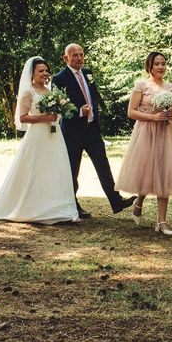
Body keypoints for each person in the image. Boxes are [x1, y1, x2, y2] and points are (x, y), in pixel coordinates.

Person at [0, 57, 79, 224]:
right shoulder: (29, 92)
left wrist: (59, 112)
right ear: (32, 73)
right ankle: (33, 208)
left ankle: (54, 207)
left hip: (54, 136)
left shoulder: (50, 92)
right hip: (37, 136)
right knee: (36, 171)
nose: (44, 73)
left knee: (54, 169)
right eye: (40, 71)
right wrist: (44, 118)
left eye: (46, 70)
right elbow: (22, 118)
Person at [52, 44, 135, 218]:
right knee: (72, 170)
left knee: (103, 165)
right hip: (72, 132)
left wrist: (97, 115)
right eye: (74, 55)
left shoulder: (88, 73)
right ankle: (72, 205)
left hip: (92, 130)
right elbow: (59, 106)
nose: (79, 58)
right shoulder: (59, 78)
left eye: (81, 54)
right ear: (65, 58)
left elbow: (93, 96)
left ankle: (116, 200)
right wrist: (80, 112)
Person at [116, 51, 172, 233]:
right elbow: (131, 112)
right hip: (145, 132)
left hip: (165, 132)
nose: (161, 67)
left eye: (163, 63)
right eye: (157, 64)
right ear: (149, 67)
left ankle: (161, 222)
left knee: (163, 172)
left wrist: (171, 115)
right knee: (145, 170)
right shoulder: (141, 85)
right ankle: (139, 200)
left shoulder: (171, 88)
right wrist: (152, 117)